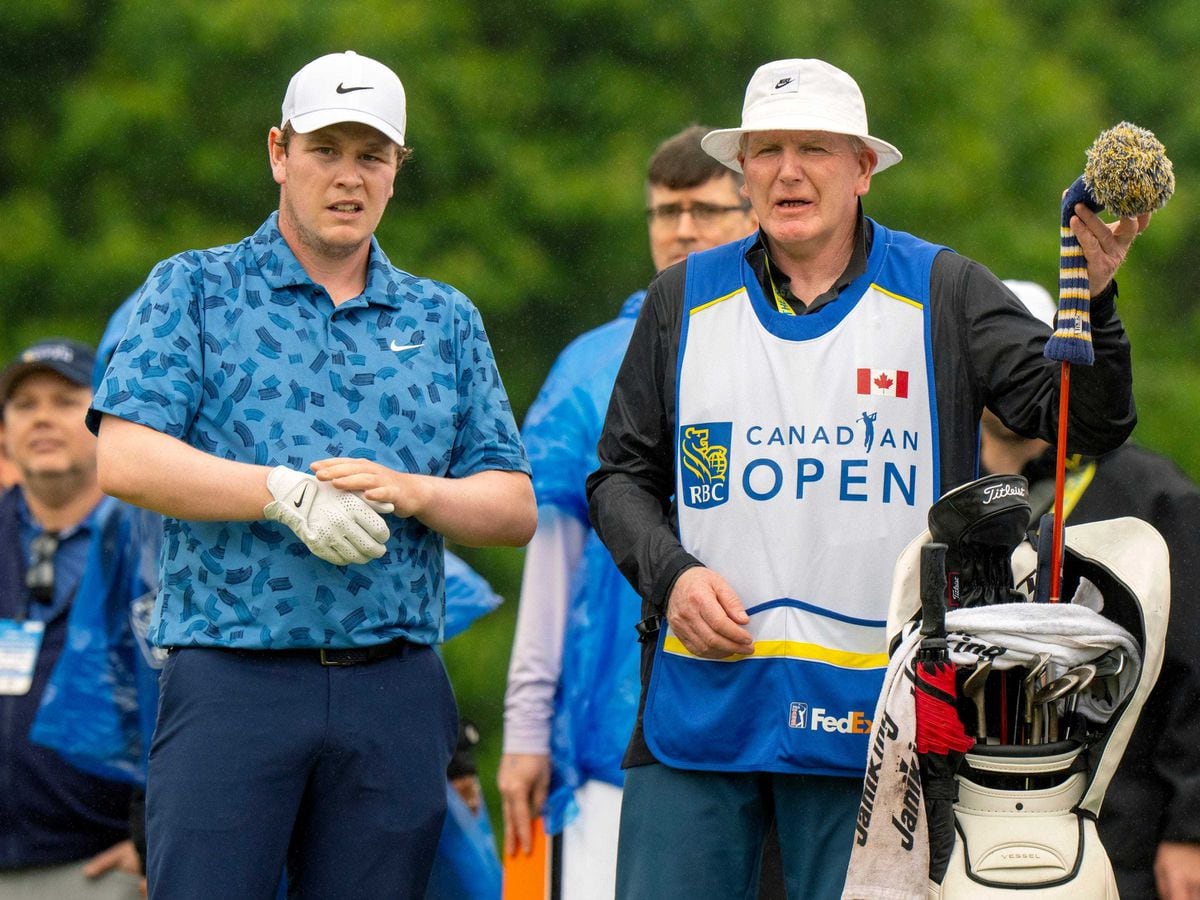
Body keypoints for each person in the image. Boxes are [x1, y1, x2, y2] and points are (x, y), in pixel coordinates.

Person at [586, 58, 1151, 898]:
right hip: (700, 714)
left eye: (814, 147)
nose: (788, 170)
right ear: (742, 173)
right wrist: (671, 576)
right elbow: (618, 480)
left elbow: (1084, 420)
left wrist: (1094, 304)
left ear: (862, 168)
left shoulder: (943, 288)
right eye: (766, 149)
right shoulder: (679, 300)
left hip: (879, 723)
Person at [88, 50, 535, 900]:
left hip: (394, 687)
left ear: (397, 171)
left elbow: (511, 506)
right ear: (278, 153)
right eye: (325, 150)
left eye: (371, 156)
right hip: (232, 680)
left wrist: (417, 493)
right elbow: (125, 456)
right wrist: (280, 493)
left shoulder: (443, 317)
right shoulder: (195, 288)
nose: (347, 177)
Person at [498, 125, 756, 896]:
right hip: (617, 728)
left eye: (705, 208)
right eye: (663, 211)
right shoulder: (589, 367)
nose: (680, 229)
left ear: (753, 214)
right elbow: (553, 566)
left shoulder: (802, 344)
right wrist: (524, 731)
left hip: (774, 711)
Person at [981, 280, 1200, 900]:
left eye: (1028, 360)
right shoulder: (940, 484)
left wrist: (1191, 828)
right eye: (993, 362)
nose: (1011, 380)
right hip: (974, 819)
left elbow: (1195, 668)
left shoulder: (1154, 498)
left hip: (1124, 832)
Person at [0, 338, 141, 899]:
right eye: (24, 404)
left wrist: (154, 835)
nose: (42, 419)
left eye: (63, 401)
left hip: (100, 868)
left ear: (106, 420)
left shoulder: (156, 542)